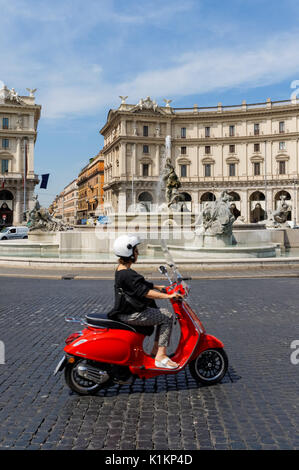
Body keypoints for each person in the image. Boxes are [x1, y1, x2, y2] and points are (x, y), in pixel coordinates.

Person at [112, 234, 183, 369]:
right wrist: (169, 296)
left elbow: (139, 284)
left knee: (159, 314)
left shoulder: (121, 270)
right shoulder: (127, 274)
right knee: (167, 316)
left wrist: (158, 287)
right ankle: (160, 355)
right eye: (136, 251)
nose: (138, 253)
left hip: (126, 310)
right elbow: (144, 292)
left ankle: (156, 351)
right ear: (129, 253)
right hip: (132, 314)